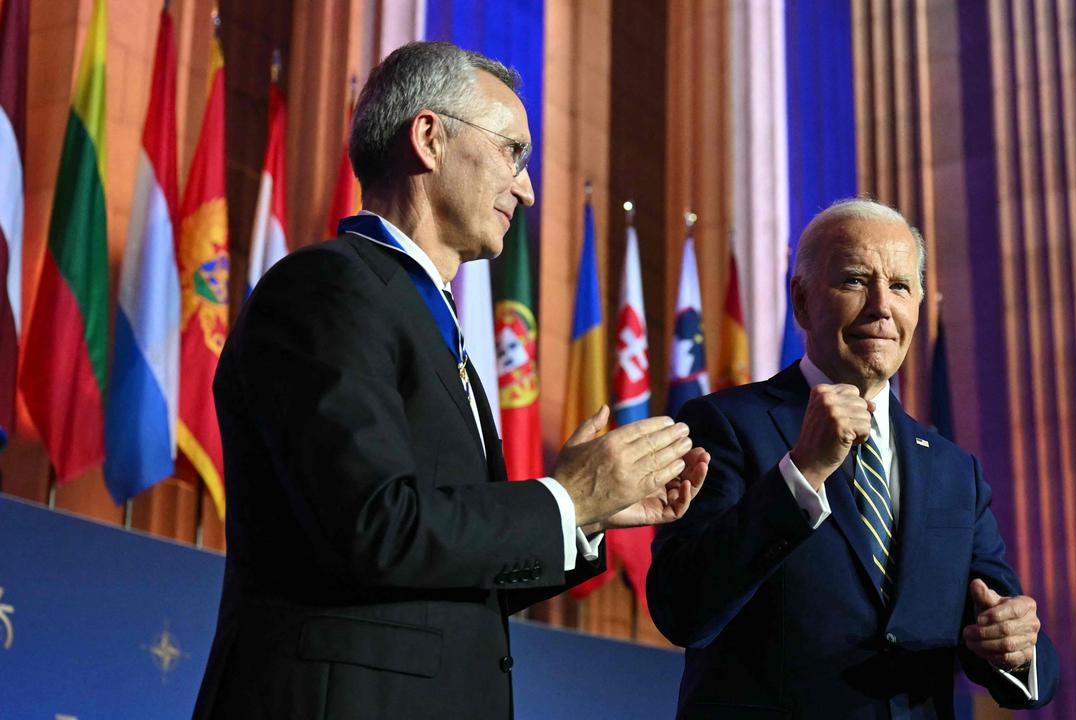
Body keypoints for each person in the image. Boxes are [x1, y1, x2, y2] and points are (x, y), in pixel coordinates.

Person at [193, 42, 709, 720]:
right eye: (512, 153)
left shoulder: (423, 316)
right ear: (430, 138)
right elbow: (374, 527)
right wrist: (563, 498)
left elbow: (442, 568)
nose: (526, 188)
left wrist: (582, 514)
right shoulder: (327, 289)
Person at [648, 198, 1059, 719]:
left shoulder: (955, 473)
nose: (881, 306)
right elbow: (681, 608)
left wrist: (1015, 646)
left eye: (902, 286)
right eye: (856, 281)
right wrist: (802, 474)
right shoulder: (726, 424)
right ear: (802, 301)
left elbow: (1002, 624)